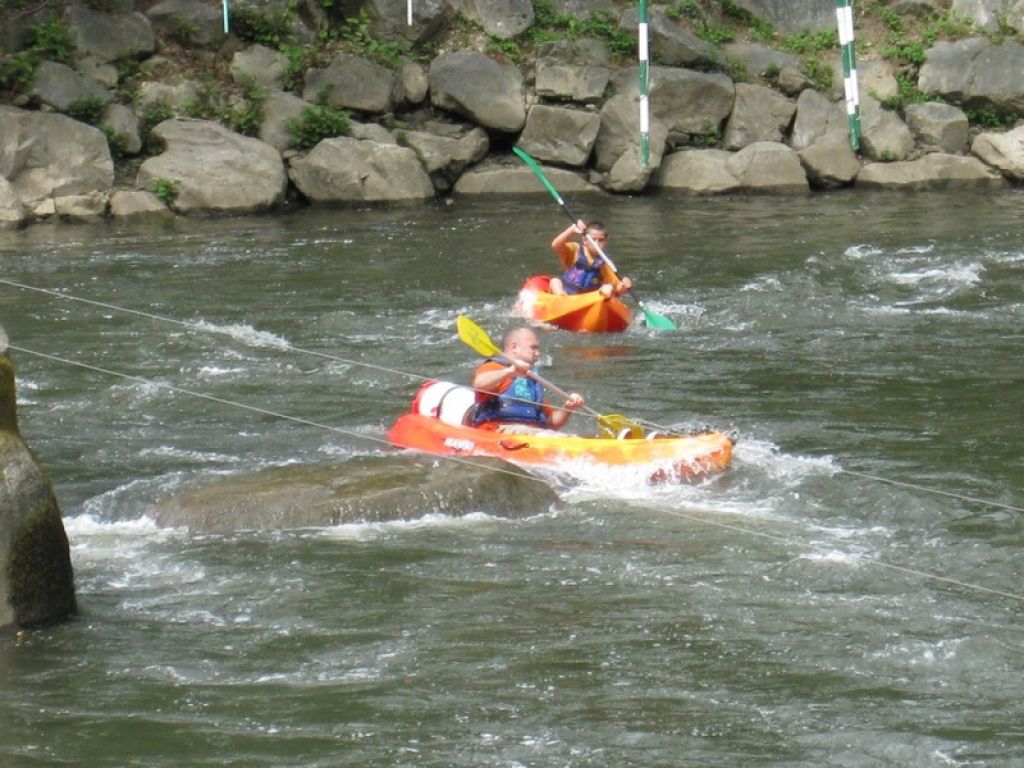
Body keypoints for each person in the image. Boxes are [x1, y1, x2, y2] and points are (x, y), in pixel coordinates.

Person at [471, 327, 584, 432]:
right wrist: (509, 371)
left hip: (530, 435)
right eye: (533, 347)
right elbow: (479, 384)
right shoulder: (494, 367)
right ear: (514, 347)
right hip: (497, 429)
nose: (538, 353)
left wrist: (568, 408)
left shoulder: (532, 380)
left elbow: (552, 423)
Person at [548, 219, 633, 299]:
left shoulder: (606, 263)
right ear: (585, 240)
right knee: (555, 281)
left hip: (589, 301)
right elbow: (555, 245)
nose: (596, 243)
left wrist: (624, 286)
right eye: (593, 239)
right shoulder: (575, 249)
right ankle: (561, 300)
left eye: (601, 240)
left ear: (605, 241)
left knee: (608, 288)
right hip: (567, 296)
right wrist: (572, 230)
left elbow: (617, 288)